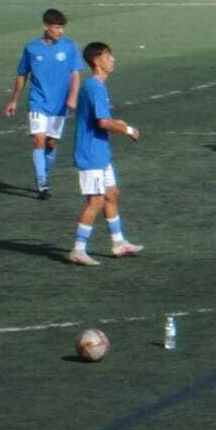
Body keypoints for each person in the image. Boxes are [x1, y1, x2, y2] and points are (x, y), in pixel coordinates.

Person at [68, 42, 143, 267]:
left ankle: (118, 243)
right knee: (95, 201)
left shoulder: (96, 86)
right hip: (91, 154)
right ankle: (78, 250)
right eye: (108, 56)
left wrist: (116, 122)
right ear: (96, 61)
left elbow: (101, 120)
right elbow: (102, 122)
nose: (113, 59)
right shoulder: (94, 87)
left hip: (100, 152)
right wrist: (128, 129)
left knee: (112, 194)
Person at [2, 8, 83, 199]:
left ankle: (44, 174)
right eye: (57, 27)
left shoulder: (70, 47)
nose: (60, 32)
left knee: (52, 143)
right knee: (38, 140)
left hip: (59, 104)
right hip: (37, 102)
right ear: (46, 27)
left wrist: (72, 97)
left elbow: (75, 75)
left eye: (62, 28)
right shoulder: (31, 48)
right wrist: (13, 100)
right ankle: (42, 184)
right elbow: (22, 75)